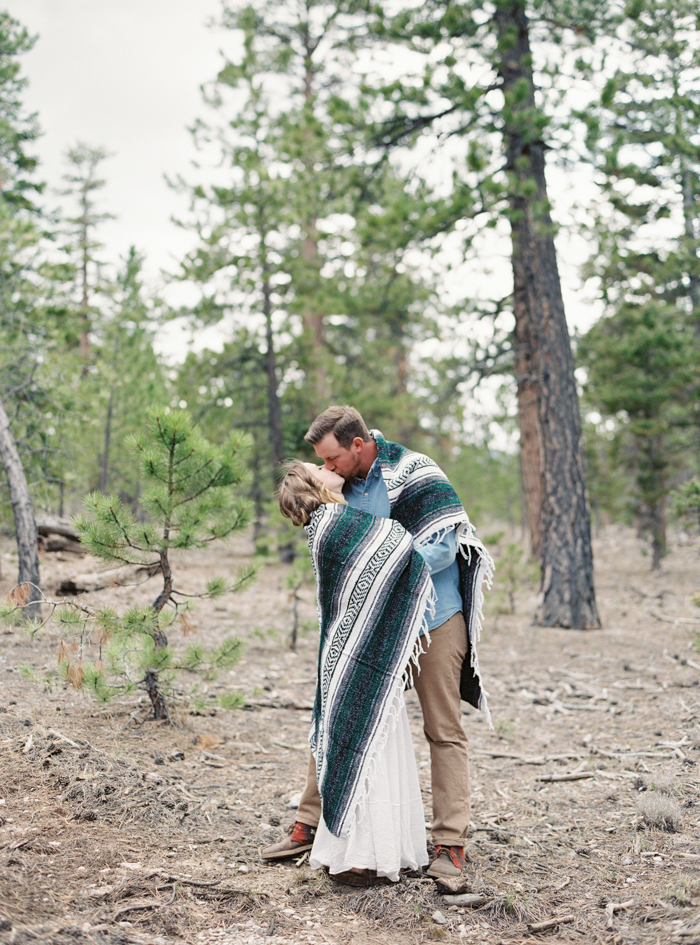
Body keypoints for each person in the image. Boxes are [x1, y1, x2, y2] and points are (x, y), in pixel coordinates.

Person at [262, 407, 493, 881]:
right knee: (337, 706)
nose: (326, 467)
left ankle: (451, 844)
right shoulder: (335, 491)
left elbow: (445, 549)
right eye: (320, 462)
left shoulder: (415, 472)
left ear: (358, 445)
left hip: (433, 619)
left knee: (442, 728)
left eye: (331, 458)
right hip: (371, 624)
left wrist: (384, 575)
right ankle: (310, 823)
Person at [273, 460, 432, 886]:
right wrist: (406, 532)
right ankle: (357, 856)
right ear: (315, 485)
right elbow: (398, 546)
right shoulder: (331, 522)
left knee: (366, 743)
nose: (327, 466)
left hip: (356, 651)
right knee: (365, 746)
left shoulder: (336, 519)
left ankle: (378, 848)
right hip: (356, 654)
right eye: (318, 466)